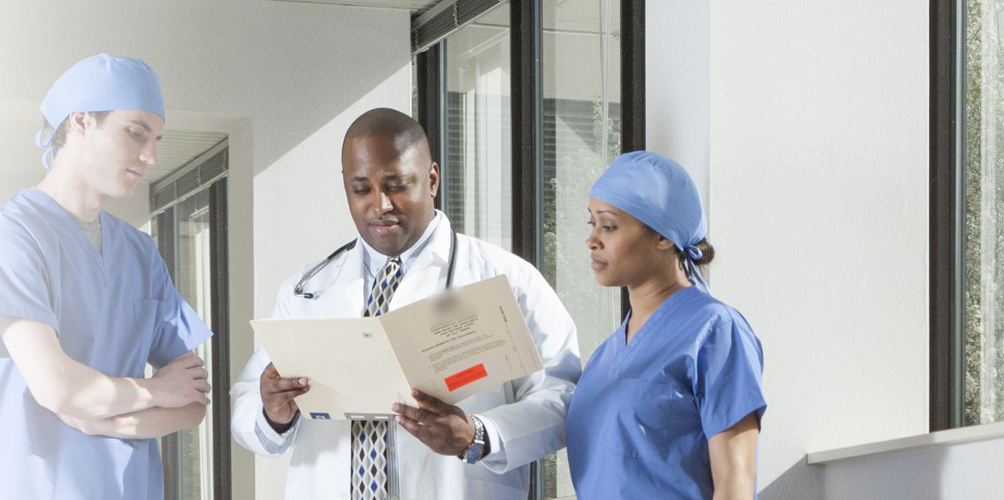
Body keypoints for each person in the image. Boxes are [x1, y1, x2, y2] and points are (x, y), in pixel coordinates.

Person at [230, 108, 582, 500]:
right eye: (361, 189)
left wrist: (478, 434)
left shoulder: (506, 278)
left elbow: (564, 399)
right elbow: (245, 405)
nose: (379, 205)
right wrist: (271, 412)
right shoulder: (305, 289)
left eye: (396, 185)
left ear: (431, 179)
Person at [0, 53, 214, 500]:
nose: (150, 156)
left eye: (156, 139)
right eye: (136, 133)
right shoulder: (10, 239)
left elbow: (192, 402)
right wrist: (155, 391)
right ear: (80, 122)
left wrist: (100, 418)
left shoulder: (139, 252)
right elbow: (59, 389)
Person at [566, 151, 766, 500]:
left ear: (664, 237)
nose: (592, 239)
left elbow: (736, 480)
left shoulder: (715, 331)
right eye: (592, 224)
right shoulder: (603, 359)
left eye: (609, 225)